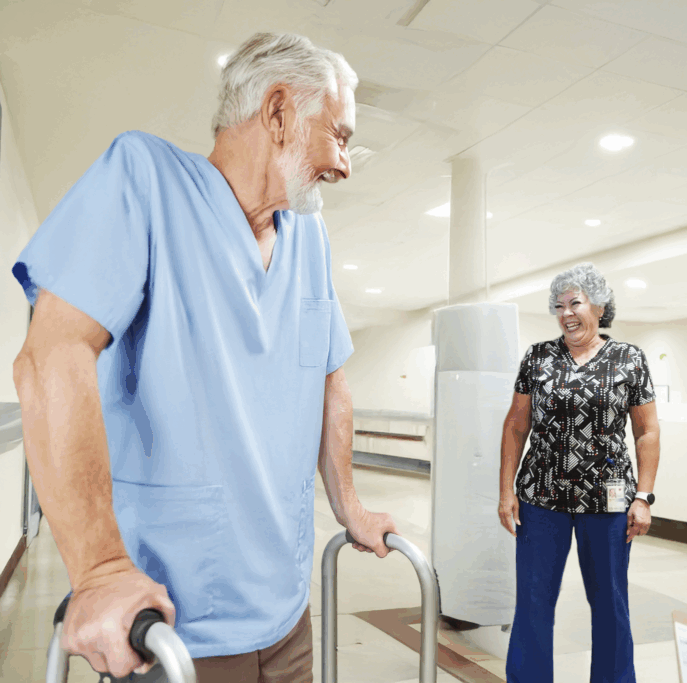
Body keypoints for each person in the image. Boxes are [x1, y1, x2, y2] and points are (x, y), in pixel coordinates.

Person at [12, 32, 398, 682]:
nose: (345, 164)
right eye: (338, 135)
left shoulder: (311, 237)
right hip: (172, 627)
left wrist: (349, 502)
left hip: (287, 614)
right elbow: (49, 357)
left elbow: (330, 375)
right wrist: (99, 569)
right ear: (278, 113)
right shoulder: (144, 180)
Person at [498, 262, 660, 683]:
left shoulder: (629, 358)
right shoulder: (538, 356)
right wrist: (505, 491)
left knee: (610, 603)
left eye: (575, 303)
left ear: (599, 305)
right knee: (533, 603)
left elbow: (646, 431)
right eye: (558, 305)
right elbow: (516, 424)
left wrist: (643, 496)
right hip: (540, 497)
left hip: (606, 501)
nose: (566, 313)